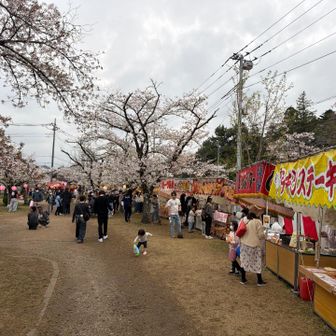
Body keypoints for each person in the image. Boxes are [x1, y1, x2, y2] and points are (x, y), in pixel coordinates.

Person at [239, 211, 266, 286]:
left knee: (244, 261)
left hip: (244, 244)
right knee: (257, 262)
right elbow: (261, 235)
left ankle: (243, 279)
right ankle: (259, 281)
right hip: (254, 245)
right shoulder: (258, 222)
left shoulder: (243, 220)